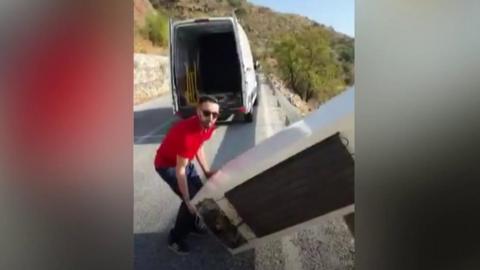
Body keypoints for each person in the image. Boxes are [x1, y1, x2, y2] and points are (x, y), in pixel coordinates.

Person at [154, 95, 220, 255]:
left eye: (215, 114)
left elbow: (199, 146)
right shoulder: (187, 135)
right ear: (198, 111)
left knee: (201, 193)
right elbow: (180, 170)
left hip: (184, 161)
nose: (211, 118)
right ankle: (175, 239)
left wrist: (206, 171)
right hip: (167, 165)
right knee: (192, 200)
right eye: (206, 113)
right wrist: (187, 199)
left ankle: (192, 225)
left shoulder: (209, 126)